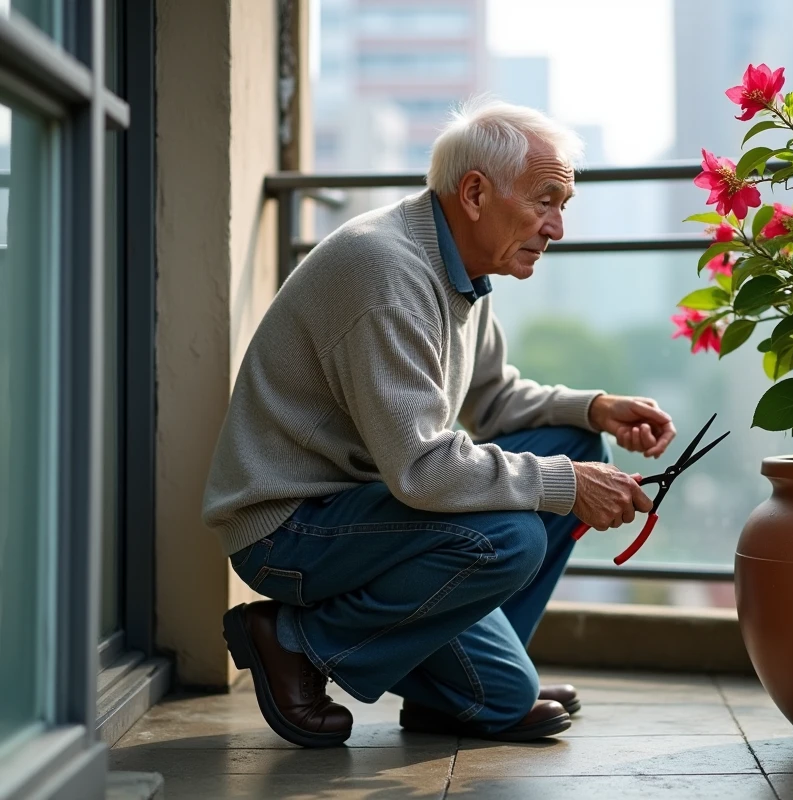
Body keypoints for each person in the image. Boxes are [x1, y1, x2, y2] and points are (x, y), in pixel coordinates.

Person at [201, 98, 677, 748]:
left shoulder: (459, 267)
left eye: (563, 205)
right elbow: (422, 468)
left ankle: (457, 692)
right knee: (511, 536)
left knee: (573, 446)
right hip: (291, 529)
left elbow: (493, 399)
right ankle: (294, 643)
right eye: (545, 200)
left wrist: (592, 409)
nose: (557, 227)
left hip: (366, 512)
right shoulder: (386, 271)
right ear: (476, 192)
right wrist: (568, 485)